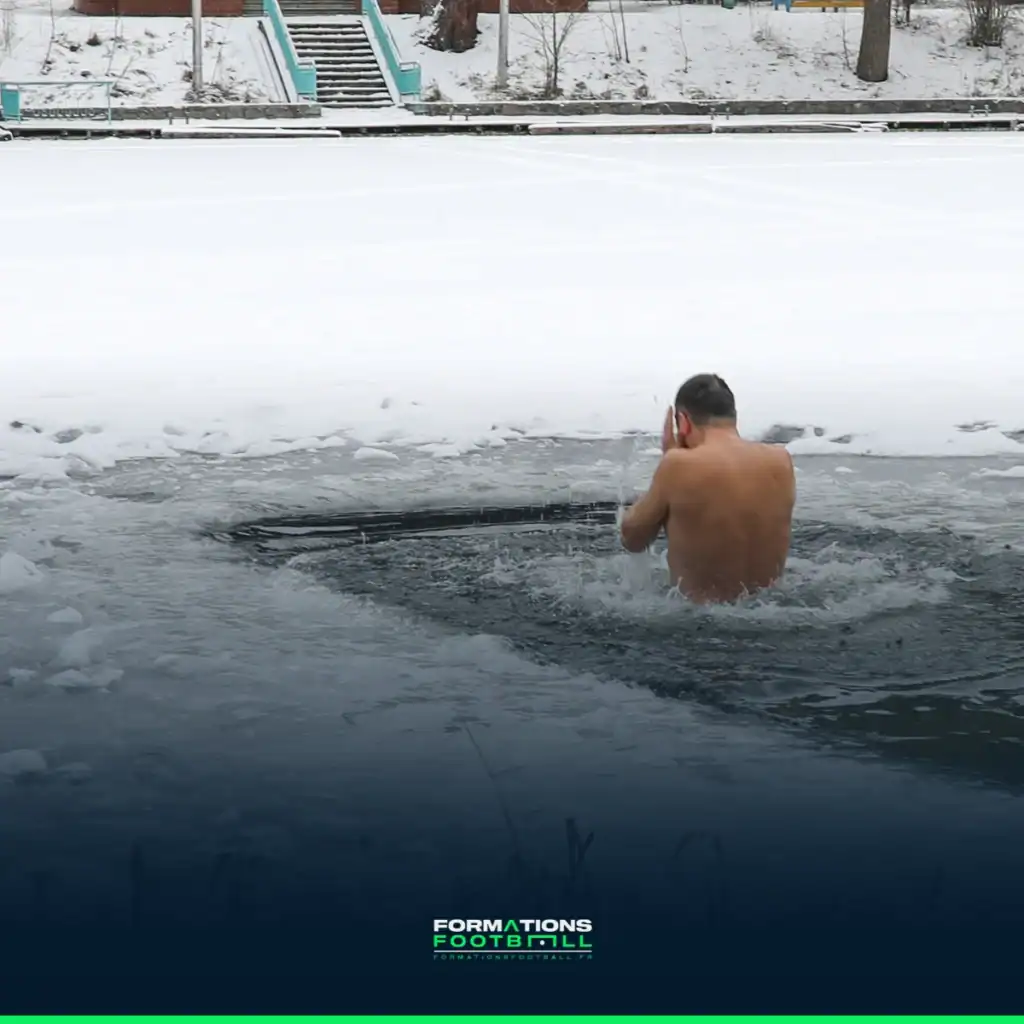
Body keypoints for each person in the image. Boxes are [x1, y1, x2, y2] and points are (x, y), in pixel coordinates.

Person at [619, 373, 796, 604]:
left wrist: (668, 459)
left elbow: (633, 539)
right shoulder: (780, 460)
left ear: (683, 422)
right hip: (769, 608)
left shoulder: (678, 464)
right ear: (733, 417)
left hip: (698, 616)